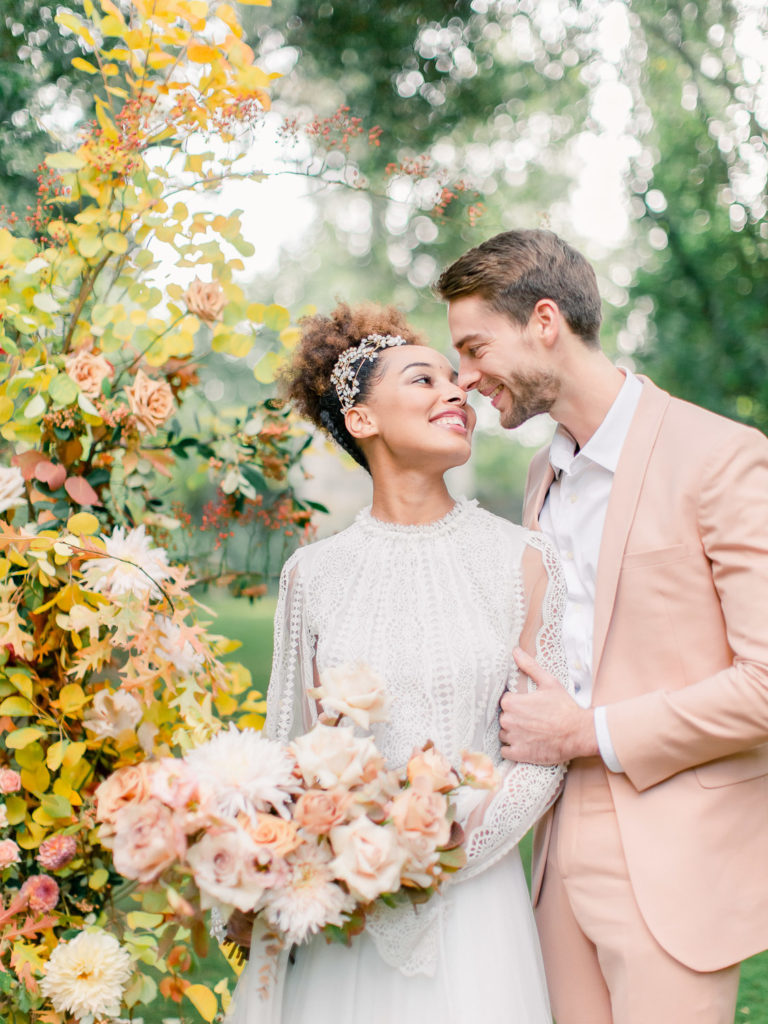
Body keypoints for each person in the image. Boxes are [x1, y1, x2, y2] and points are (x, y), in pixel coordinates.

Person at [435, 228, 768, 1024]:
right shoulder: (540, 475)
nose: (466, 378)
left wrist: (587, 733)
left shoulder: (721, 457)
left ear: (545, 321)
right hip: (551, 852)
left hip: (673, 855)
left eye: (475, 347)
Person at [227, 301, 570, 1024]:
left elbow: (544, 754)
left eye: (456, 379)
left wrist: (434, 860)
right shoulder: (310, 576)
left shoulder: (524, 560)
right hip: (346, 913)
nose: (457, 393)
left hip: (478, 910)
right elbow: (287, 750)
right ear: (362, 420)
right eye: (424, 380)